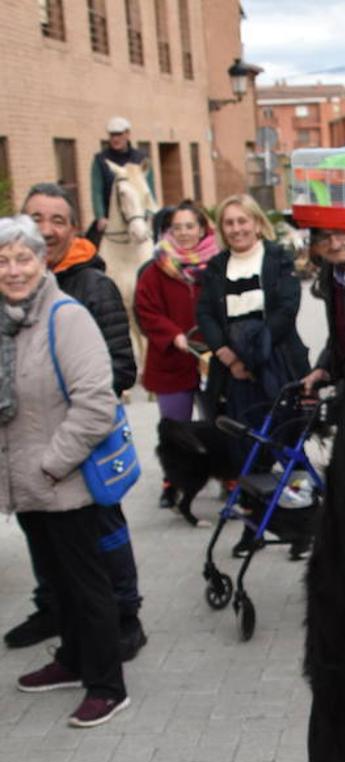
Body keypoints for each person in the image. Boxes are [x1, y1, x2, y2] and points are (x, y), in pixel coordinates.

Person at [0, 216, 130, 727]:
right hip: (25, 485)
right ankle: (73, 661)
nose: (13, 269)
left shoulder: (64, 317)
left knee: (87, 586)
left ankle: (107, 684)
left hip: (64, 482)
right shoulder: (7, 322)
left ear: (43, 261)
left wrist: (51, 464)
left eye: (22, 258)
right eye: (3, 260)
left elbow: (97, 404)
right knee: (56, 582)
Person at [9, 184, 146, 661]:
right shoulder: (14, 283)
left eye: (58, 220)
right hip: (28, 449)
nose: (45, 230)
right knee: (44, 541)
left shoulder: (91, 285)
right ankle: (53, 609)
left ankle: (126, 616)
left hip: (83, 448)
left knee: (104, 535)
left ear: (74, 227)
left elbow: (121, 370)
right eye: (35, 218)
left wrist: (66, 430)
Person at [195, 194, 310, 425]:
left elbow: (286, 309)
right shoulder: (215, 267)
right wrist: (225, 354)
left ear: (257, 223)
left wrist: (251, 356)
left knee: (284, 437)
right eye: (229, 223)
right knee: (241, 443)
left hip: (278, 360)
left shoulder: (279, 259)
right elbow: (205, 313)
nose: (236, 229)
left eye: (242, 221)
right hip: (231, 368)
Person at [134, 200, 219, 505]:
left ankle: (225, 476)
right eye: (177, 227)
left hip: (212, 358)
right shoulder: (155, 269)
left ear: (201, 229)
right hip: (171, 359)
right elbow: (146, 310)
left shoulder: (218, 264)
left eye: (189, 226)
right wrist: (173, 335)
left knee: (216, 423)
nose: (183, 233)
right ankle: (173, 482)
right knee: (175, 429)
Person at [300, 229, 345, 394]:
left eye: (341, 233)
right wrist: (323, 367)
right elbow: (339, 334)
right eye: (324, 238)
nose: (334, 245)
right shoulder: (329, 276)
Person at [89, 116, 154, 237]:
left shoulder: (142, 158)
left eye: (119, 134)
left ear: (128, 134)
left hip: (139, 216)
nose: (115, 139)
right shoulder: (100, 160)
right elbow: (96, 191)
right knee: (90, 245)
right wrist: (100, 216)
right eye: (112, 135)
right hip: (111, 218)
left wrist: (150, 213)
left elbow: (149, 189)